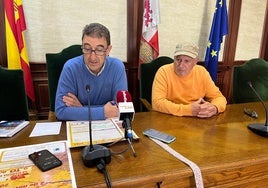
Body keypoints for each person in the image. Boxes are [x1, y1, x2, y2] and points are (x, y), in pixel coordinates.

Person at [55, 23, 128, 120]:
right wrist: (103, 112)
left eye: (99, 50)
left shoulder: (117, 67)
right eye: (87, 49)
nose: (93, 57)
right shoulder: (70, 68)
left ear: (108, 50)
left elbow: (118, 108)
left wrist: (81, 108)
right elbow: (61, 111)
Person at [152, 42, 227, 118]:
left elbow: (219, 98)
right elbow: (157, 103)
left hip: (196, 118)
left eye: (187, 61)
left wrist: (215, 108)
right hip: (169, 117)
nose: (181, 65)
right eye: (178, 59)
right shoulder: (163, 71)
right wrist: (188, 110)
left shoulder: (202, 72)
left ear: (195, 62)